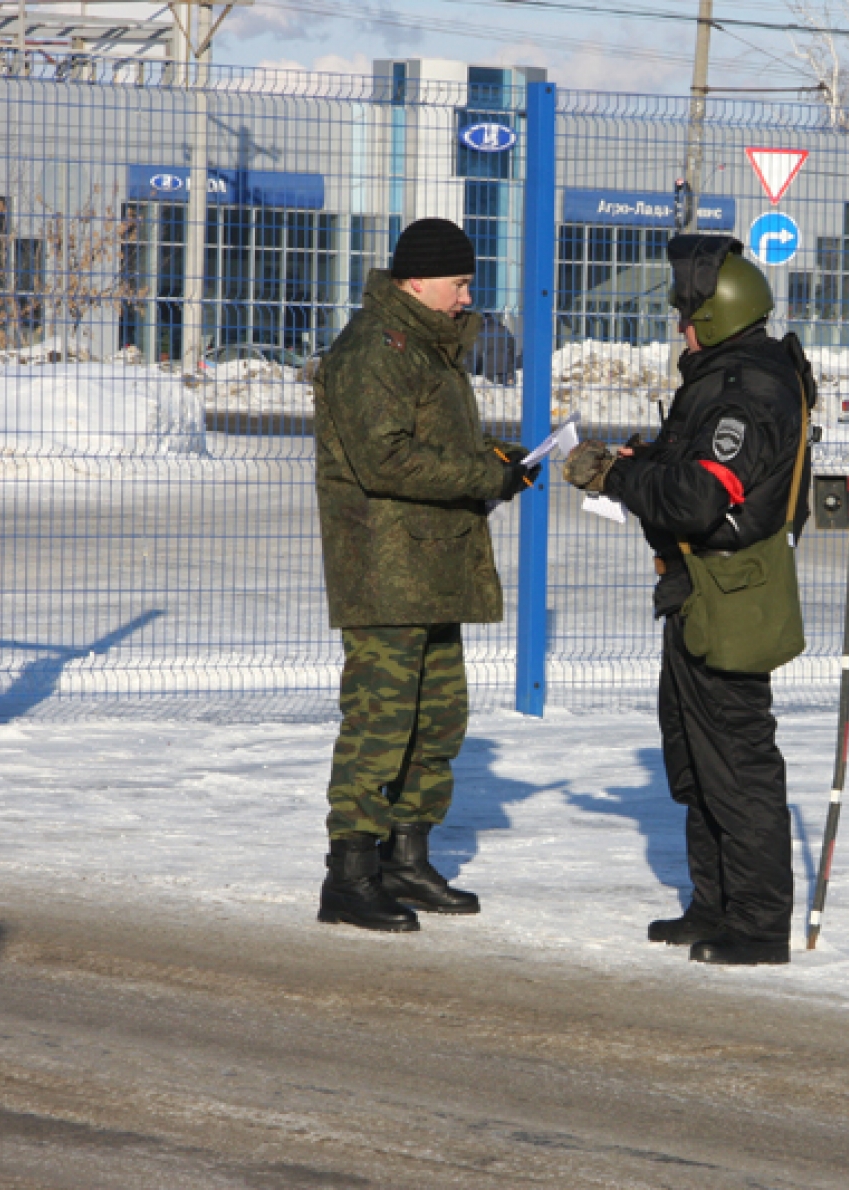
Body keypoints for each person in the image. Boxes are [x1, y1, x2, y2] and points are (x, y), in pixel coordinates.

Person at [563, 235, 814, 966]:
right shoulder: (731, 375)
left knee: (737, 760)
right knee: (697, 758)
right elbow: (692, 469)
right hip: (700, 589)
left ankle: (759, 924)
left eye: (688, 313)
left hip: (729, 594)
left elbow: (700, 496)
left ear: (717, 314)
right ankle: (714, 905)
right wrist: (642, 463)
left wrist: (614, 476)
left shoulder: (746, 389)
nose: (681, 328)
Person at [311, 218, 539, 932]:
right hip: (385, 571)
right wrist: (480, 476)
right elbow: (386, 460)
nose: (467, 296)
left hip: (430, 564)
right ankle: (349, 874)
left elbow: (434, 443)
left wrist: (498, 462)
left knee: (437, 720)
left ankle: (407, 857)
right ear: (416, 281)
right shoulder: (373, 350)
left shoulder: (428, 349)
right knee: (381, 721)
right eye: (459, 283)